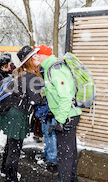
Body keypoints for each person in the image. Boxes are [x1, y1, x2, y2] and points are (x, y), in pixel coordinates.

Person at [36, 44, 82, 182]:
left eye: (37, 55)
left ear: (44, 55)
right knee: (70, 152)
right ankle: (72, 179)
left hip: (67, 116)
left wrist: (60, 120)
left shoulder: (54, 69)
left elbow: (66, 97)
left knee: (64, 156)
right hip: (69, 114)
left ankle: (65, 179)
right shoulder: (52, 68)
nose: (36, 57)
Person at [0, 45, 42, 182]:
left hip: (11, 111)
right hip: (18, 114)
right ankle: (11, 178)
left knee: (10, 144)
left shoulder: (19, 72)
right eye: (34, 56)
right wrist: (42, 94)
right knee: (15, 148)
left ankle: (4, 170)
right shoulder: (31, 76)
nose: (38, 58)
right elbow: (35, 100)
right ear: (28, 60)